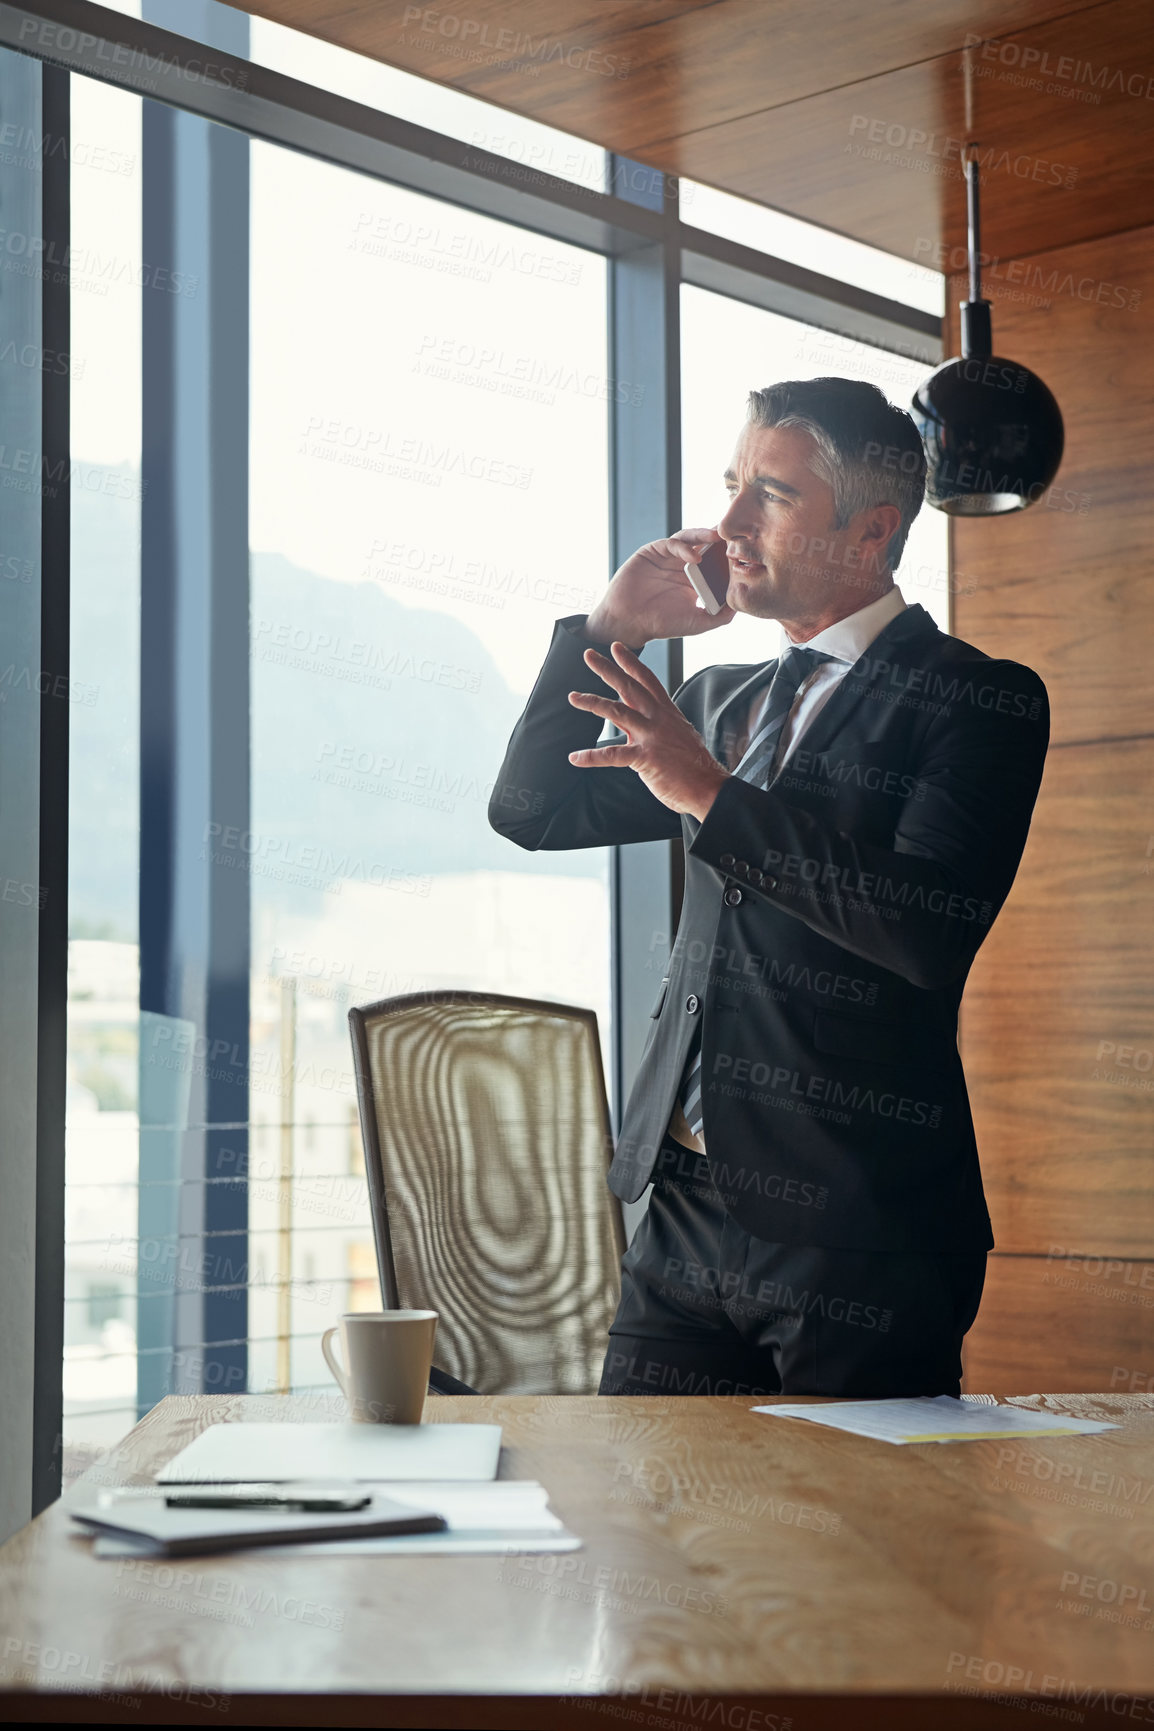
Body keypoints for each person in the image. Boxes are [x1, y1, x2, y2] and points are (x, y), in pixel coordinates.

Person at [488, 377, 1049, 1399]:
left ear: (868, 531)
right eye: (730, 486)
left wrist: (705, 790)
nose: (728, 524)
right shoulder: (713, 698)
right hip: (680, 1215)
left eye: (771, 496)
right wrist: (605, 629)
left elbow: (922, 928)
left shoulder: (974, 699)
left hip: (861, 1229)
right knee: (656, 1537)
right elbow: (535, 813)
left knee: (849, 1554)